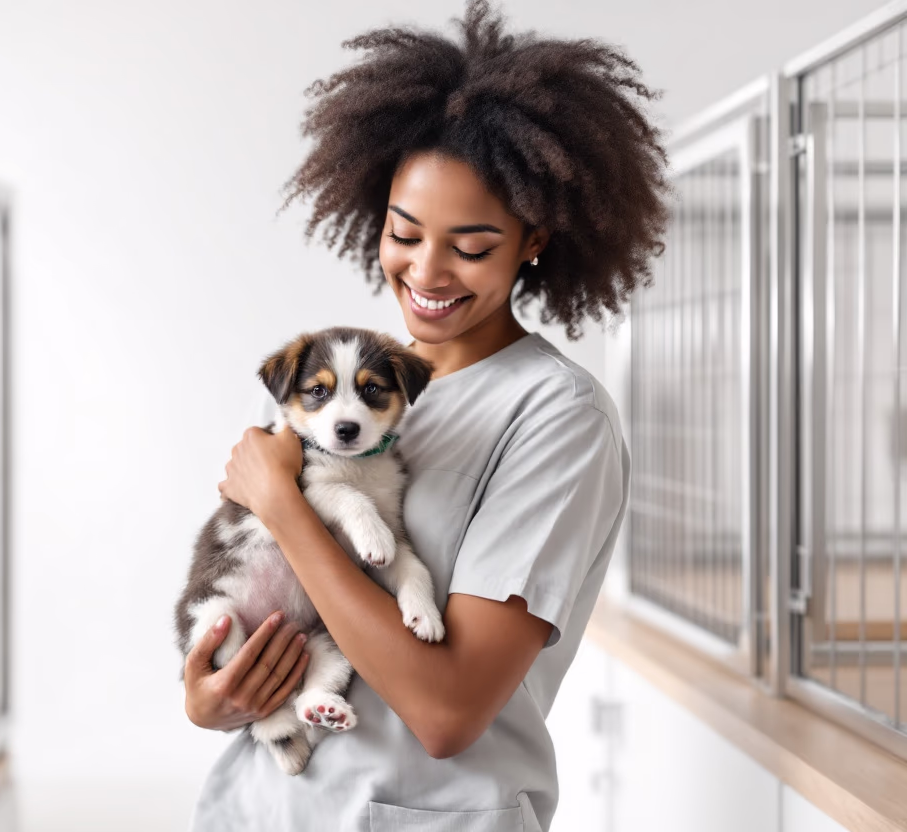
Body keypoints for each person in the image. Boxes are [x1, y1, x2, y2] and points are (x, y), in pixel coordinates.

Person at [181, 1, 669, 829]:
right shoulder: (360, 387)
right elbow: (261, 602)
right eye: (404, 233)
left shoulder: (556, 418)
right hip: (267, 804)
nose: (427, 271)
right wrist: (211, 699)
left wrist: (283, 505)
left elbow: (445, 712)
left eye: (472, 246)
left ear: (535, 238)